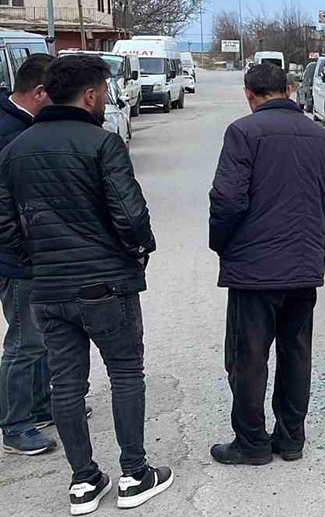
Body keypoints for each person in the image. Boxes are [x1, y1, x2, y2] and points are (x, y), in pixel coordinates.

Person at [0, 54, 172, 515]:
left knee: (66, 385)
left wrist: (35, 263)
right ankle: (135, 475)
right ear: (91, 94)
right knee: (125, 374)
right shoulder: (103, 144)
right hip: (106, 285)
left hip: (49, 289)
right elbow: (130, 216)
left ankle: (84, 482)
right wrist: (139, 250)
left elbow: (4, 226)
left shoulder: (14, 151)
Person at [209, 63, 325, 466]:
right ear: (287, 90)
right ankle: (290, 440)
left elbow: (227, 200)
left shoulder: (242, 133)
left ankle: (251, 443)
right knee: (295, 353)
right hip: (304, 267)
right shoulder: (321, 137)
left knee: (248, 357)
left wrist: (222, 246)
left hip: (253, 272)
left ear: (249, 94)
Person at [0, 54, 54, 457]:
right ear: (39, 93)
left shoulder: (23, 125)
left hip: (30, 253)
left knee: (39, 338)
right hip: (16, 258)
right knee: (23, 340)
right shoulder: (8, 134)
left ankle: (39, 405)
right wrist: (20, 252)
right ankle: (16, 424)